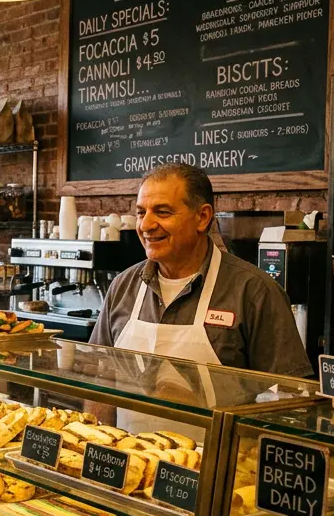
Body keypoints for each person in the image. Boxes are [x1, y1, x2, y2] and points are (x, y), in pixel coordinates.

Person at [88, 162, 312, 378]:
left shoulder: (255, 292)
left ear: (202, 217)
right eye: (140, 213)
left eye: (162, 212)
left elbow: (287, 395)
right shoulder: (123, 287)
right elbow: (96, 374)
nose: (146, 225)